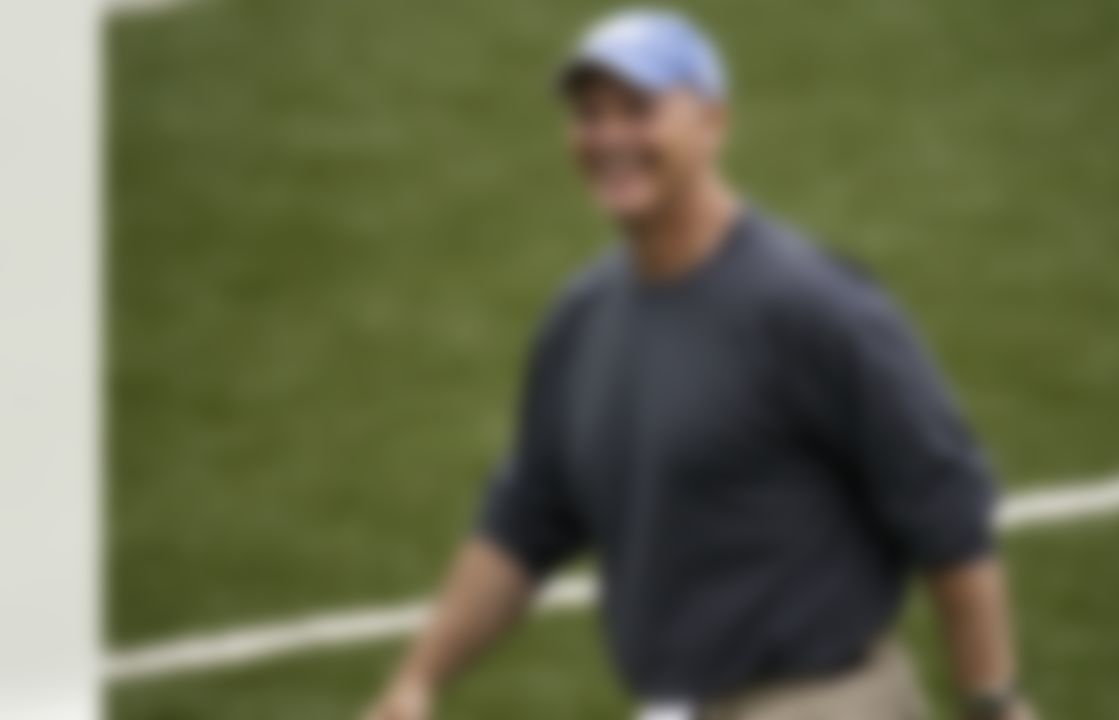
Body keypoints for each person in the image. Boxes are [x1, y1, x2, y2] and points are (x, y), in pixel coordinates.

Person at [365, 9, 1037, 720]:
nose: (610, 138)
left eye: (640, 110)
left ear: (713, 122)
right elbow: (526, 519)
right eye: (590, 115)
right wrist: (418, 679)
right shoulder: (581, 320)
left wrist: (992, 700)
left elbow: (945, 503)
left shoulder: (809, 304)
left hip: (823, 698)